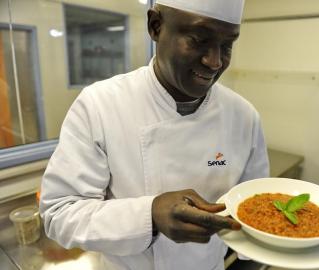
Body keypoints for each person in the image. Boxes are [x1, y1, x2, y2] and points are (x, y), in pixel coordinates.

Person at [39, 0, 269, 269]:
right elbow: (59, 213)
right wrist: (149, 215)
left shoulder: (243, 116)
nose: (214, 61)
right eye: (198, 39)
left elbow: (256, 210)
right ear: (156, 26)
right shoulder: (100, 105)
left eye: (227, 45)